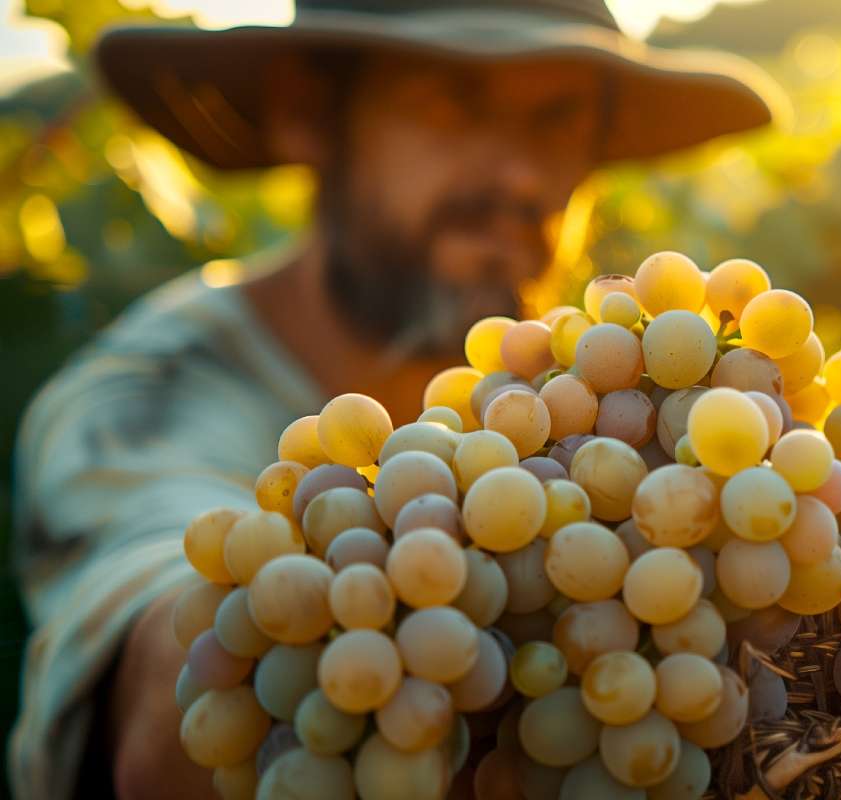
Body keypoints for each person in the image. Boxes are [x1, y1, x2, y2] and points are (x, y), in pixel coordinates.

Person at [7, 1, 784, 797]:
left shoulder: (607, 411)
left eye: (557, 120)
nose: (519, 174)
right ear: (310, 114)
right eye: (451, 107)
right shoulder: (142, 401)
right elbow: (174, 723)